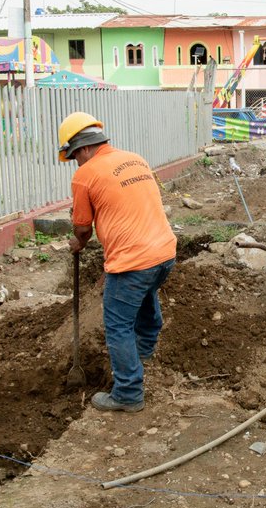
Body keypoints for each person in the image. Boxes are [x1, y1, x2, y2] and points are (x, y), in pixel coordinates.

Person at [58, 111, 177, 412]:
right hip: (164, 253)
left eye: (74, 156)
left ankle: (127, 392)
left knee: (118, 325)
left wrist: (79, 243)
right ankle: (143, 353)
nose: (76, 162)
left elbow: (82, 227)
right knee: (146, 297)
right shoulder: (135, 159)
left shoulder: (85, 175)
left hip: (132, 261)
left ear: (83, 148)